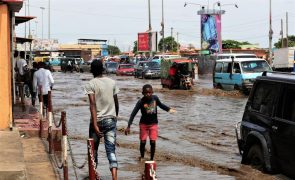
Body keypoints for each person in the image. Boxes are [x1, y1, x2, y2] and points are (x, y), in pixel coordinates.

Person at [84, 60, 119, 180]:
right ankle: (114, 177)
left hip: (97, 121)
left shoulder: (91, 84)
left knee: (93, 150)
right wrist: (115, 117)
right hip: (111, 120)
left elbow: (92, 104)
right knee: (111, 150)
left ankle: (93, 175)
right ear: (103, 69)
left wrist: (94, 124)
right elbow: (116, 102)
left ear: (92, 70)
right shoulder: (112, 82)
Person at [124, 84, 176, 161]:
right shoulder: (140, 102)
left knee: (152, 142)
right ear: (143, 93)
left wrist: (169, 110)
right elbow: (133, 114)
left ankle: (152, 159)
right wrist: (128, 126)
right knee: (143, 142)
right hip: (143, 125)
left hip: (153, 124)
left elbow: (161, 105)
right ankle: (142, 157)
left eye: (149, 92)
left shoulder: (155, 98)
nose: (148, 94)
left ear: (152, 92)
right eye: (146, 93)